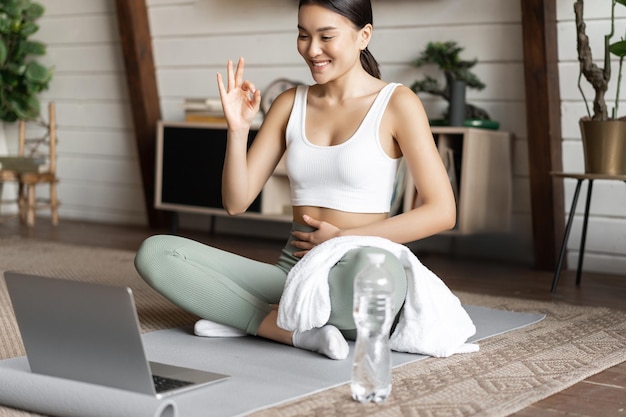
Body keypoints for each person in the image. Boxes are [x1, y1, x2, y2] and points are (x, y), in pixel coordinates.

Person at [134, 0, 456, 360]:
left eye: (326, 36)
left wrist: (343, 238)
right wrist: (238, 130)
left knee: (377, 282)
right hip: (295, 272)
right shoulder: (290, 103)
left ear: (363, 35)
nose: (312, 49)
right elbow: (236, 202)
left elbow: (442, 211)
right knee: (157, 254)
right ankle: (285, 328)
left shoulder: (397, 102)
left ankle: (249, 317)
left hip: (361, 267)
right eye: (303, 35)